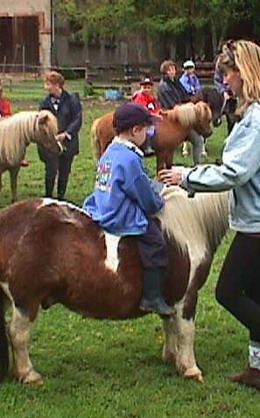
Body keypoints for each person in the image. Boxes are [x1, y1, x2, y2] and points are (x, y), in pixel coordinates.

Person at [159, 39, 260, 391]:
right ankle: (258, 367)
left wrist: (186, 177)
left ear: (244, 72)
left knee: (228, 291)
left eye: (227, 75)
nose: (225, 82)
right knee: (257, 292)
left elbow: (235, 172)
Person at [84, 103, 175, 316]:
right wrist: (159, 201)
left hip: (102, 205)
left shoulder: (111, 151)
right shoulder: (131, 158)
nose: (149, 133)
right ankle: (152, 297)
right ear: (135, 131)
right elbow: (144, 196)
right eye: (146, 129)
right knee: (156, 242)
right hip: (119, 215)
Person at [38, 71, 82, 200]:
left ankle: (61, 196)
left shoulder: (72, 100)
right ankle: (48, 196)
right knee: (51, 170)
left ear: (57, 85)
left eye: (48, 84)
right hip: (51, 143)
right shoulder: (45, 103)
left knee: (64, 170)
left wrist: (67, 134)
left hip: (68, 142)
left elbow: (77, 119)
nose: (46, 87)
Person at [157, 60, 204, 165]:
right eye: (169, 69)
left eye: (173, 68)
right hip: (171, 120)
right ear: (165, 72)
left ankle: (198, 165)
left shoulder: (176, 82)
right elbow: (172, 106)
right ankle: (169, 168)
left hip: (183, 117)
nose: (173, 71)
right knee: (170, 147)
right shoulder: (163, 86)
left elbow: (186, 97)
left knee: (198, 141)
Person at [179, 60, 205, 158]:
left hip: (195, 98)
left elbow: (198, 88)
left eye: (191, 68)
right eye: (187, 68)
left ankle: (201, 145)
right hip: (187, 99)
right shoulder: (183, 79)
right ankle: (185, 146)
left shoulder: (195, 78)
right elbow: (187, 89)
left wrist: (197, 94)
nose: (190, 70)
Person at [132, 76, 162, 155]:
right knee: (150, 129)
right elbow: (143, 110)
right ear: (141, 87)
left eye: (148, 88)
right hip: (140, 117)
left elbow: (155, 106)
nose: (147, 90)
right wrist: (154, 115)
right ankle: (147, 147)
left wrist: (159, 112)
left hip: (149, 116)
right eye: (144, 87)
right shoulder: (140, 97)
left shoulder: (150, 97)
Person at [214, 67, 237, 135]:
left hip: (236, 96)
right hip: (226, 98)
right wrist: (223, 91)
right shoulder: (220, 67)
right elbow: (217, 81)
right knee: (230, 118)